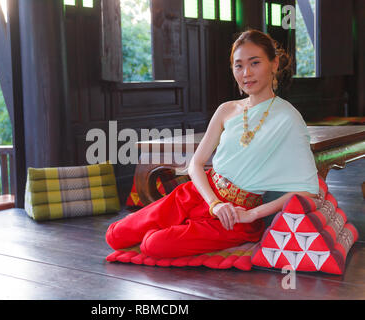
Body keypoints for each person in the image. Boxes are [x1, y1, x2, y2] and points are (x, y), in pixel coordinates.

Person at [106, 29, 320, 259]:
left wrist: (252, 215)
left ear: (274, 64)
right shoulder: (227, 109)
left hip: (237, 216)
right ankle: (182, 222)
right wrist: (214, 203)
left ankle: (180, 229)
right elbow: (196, 164)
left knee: (153, 245)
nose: (246, 73)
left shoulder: (288, 118)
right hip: (202, 193)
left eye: (255, 63)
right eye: (238, 66)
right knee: (115, 235)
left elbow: (307, 191)